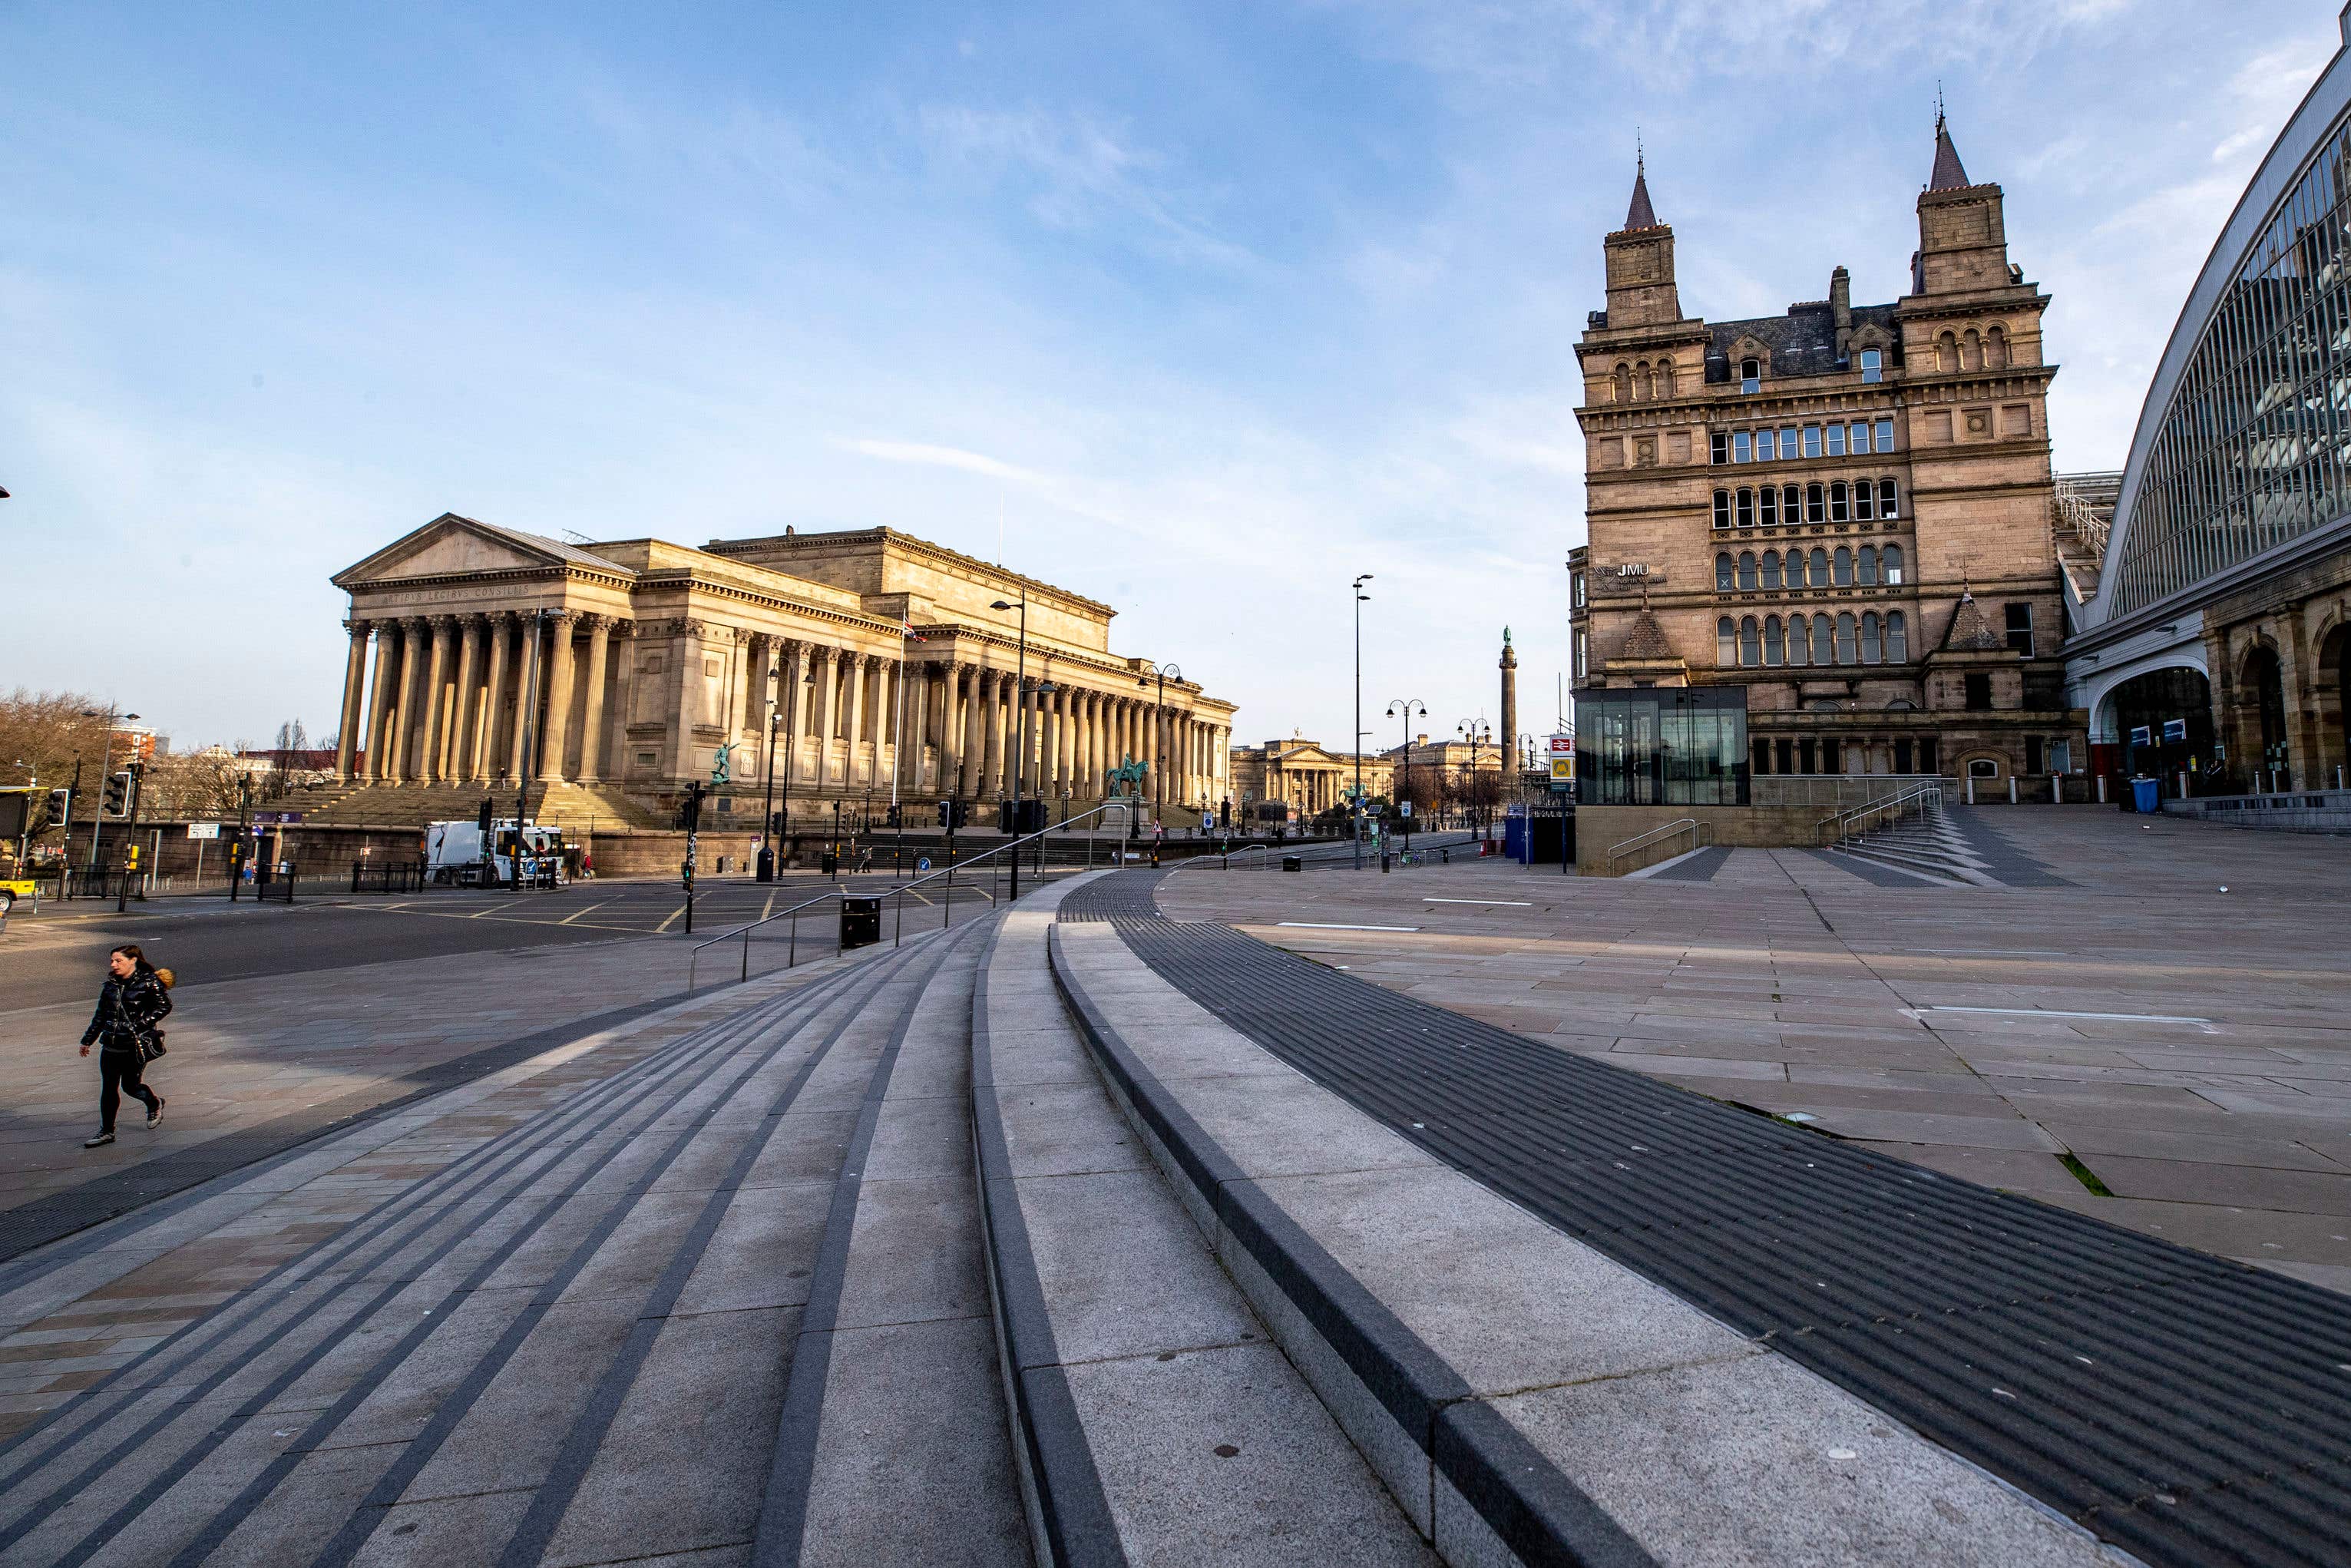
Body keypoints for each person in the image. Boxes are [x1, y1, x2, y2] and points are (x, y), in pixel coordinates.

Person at [78, 943, 169, 1148]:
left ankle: (154, 1103)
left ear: (133, 960)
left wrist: (141, 1023)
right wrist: (87, 1040)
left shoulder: (148, 982)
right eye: (112, 961)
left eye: (118, 961)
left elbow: (164, 1006)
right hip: (110, 1044)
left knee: (131, 1086)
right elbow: (101, 1015)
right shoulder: (111, 985)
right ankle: (107, 1131)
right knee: (108, 1089)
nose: (113, 965)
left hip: (133, 1046)